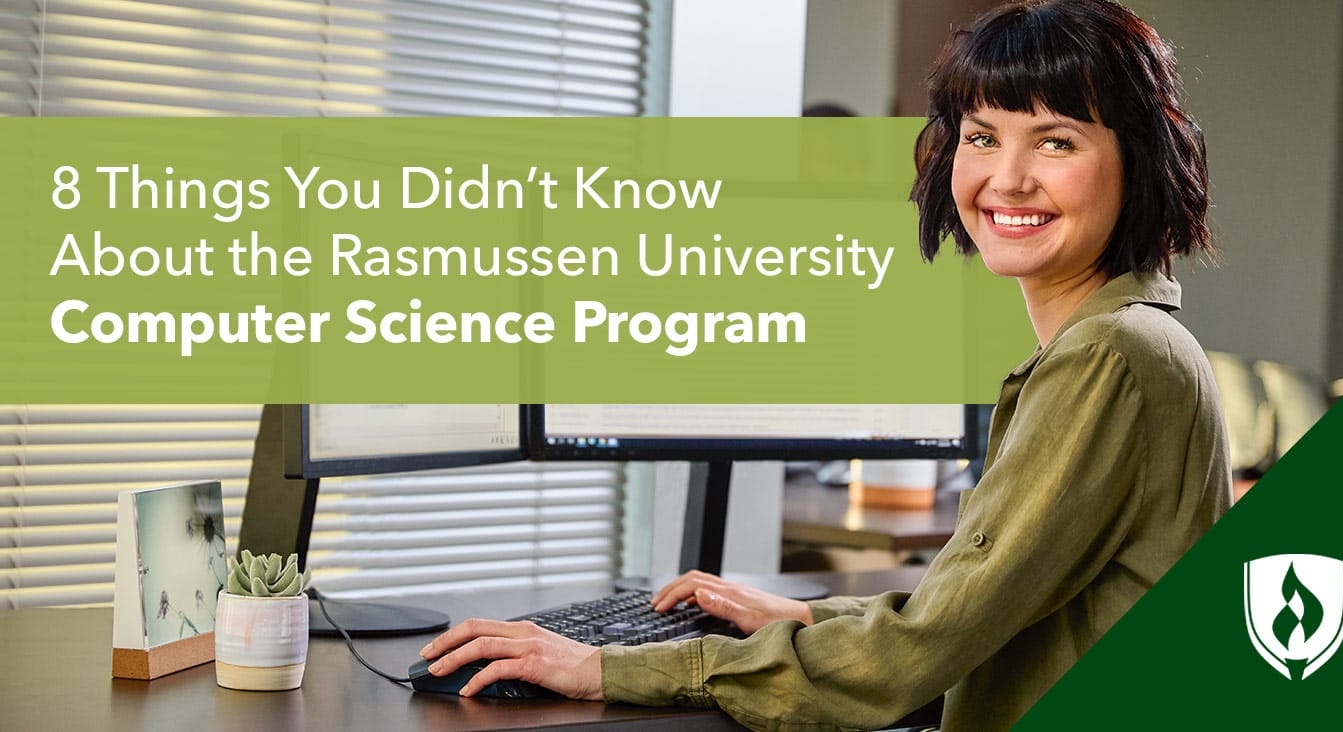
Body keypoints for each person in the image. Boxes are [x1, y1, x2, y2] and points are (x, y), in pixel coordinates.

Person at [416, 0, 1232, 729]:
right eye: (983, 137)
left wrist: (608, 665)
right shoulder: (1132, 341)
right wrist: (810, 619)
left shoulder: (1109, 357)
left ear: (1139, 159)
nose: (1007, 177)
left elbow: (923, 650)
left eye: (1056, 141)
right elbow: (993, 607)